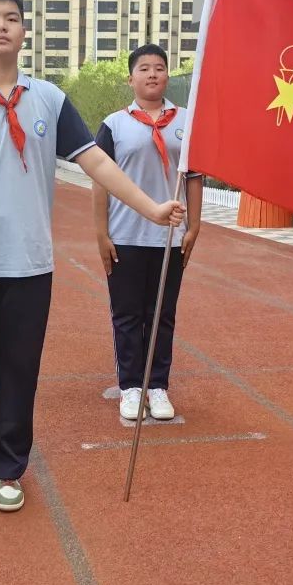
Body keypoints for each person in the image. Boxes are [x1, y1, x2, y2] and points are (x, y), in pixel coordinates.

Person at [0, 0, 185, 516]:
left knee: (20, 370)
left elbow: (98, 164)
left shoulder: (49, 100)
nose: (1, 27)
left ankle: (9, 466)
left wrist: (151, 208)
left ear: (24, 32)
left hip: (29, 264)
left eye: (11, 18)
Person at [92, 44, 203, 422]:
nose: (152, 74)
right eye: (144, 68)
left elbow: (195, 177)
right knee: (126, 314)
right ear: (131, 78)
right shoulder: (114, 125)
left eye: (159, 67)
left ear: (167, 75)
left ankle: (157, 385)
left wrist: (195, 226)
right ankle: (130, 387)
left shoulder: (187, 121)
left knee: (161, 314)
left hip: (169, 237)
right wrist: (101, 233)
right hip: (125, 234)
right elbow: (99, 183)